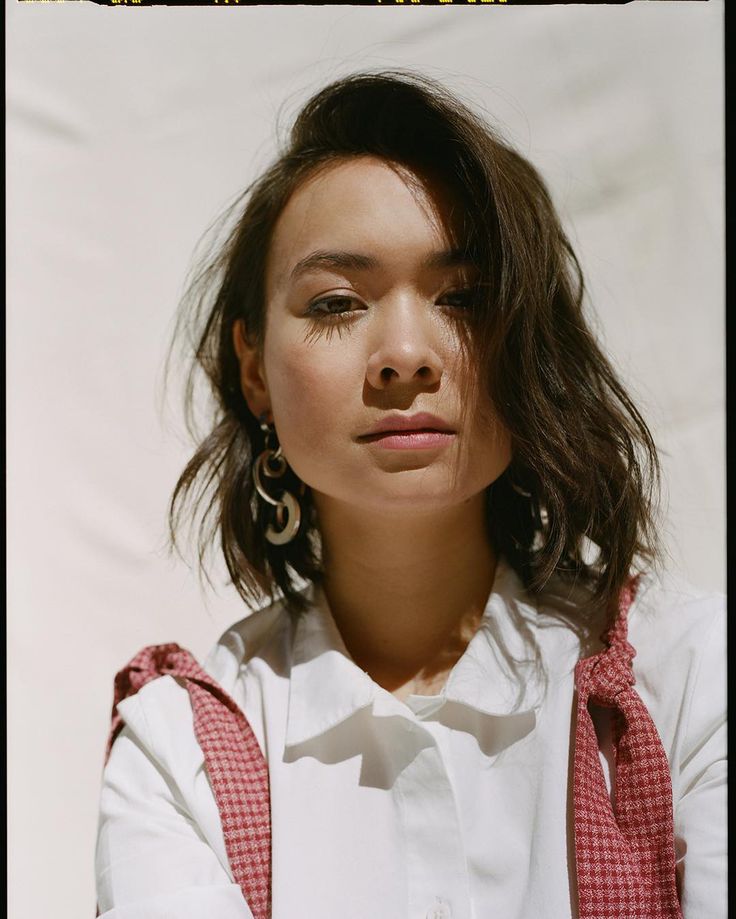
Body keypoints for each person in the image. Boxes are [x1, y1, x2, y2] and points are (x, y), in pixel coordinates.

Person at [94, 72, 725, 919]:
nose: (404, 355)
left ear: (527, 342)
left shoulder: (687, 685)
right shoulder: (182, 752)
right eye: (337, 302)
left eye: (461, 297)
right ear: (254, 369)